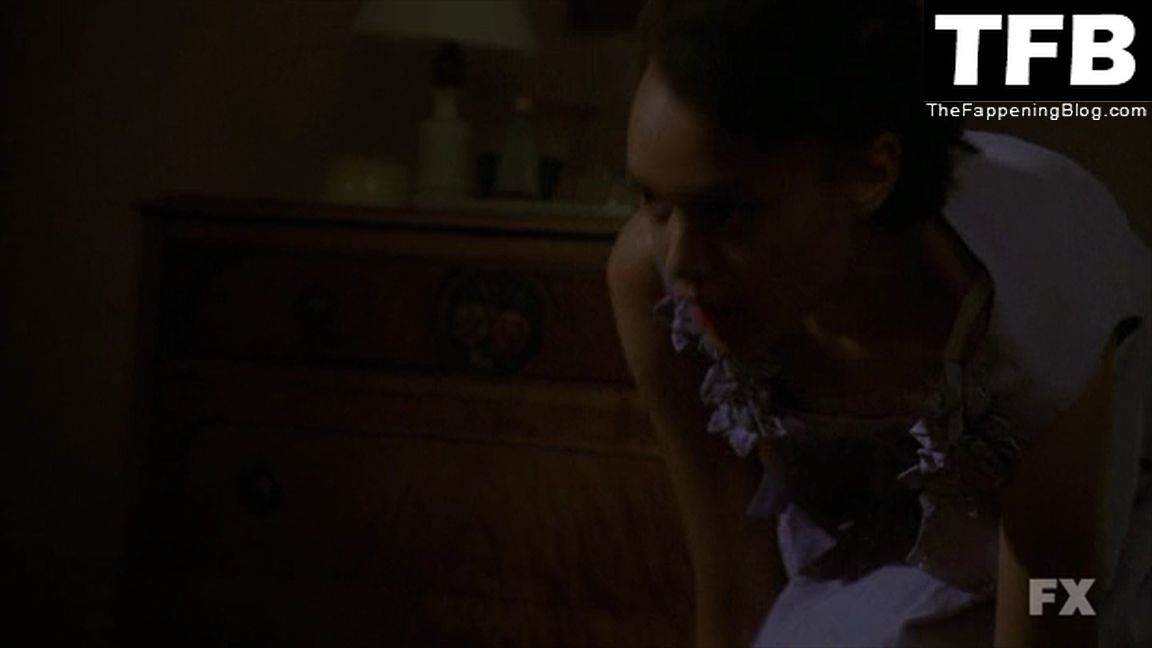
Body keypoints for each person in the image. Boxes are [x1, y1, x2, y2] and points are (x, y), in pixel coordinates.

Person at [606, 0, 1152, 646]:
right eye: (653, 201)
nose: (680, 261)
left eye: (729, 214)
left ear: (872, 174)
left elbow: (1059, 598)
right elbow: (730, 586)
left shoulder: (1032, 306)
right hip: (882, 556)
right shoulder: (657, 282)